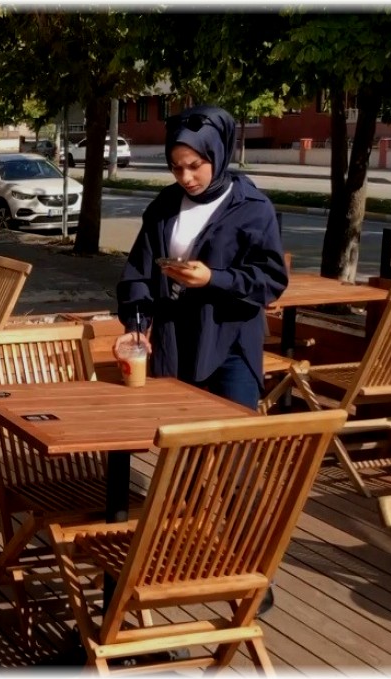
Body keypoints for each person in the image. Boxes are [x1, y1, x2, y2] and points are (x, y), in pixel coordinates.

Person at [114, 105, 287, 614]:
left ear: (219, 155)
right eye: (177, 166)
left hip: (230, 347)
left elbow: (270, 282)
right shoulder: (165, 206)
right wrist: (137, 324)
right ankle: (178, 551)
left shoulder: (252, 206)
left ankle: (251, 574)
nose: (186, 177)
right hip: (174, 343)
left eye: (195, 165)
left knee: (233, 464)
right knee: (181, 459)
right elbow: (138, 273)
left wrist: (214, 279)